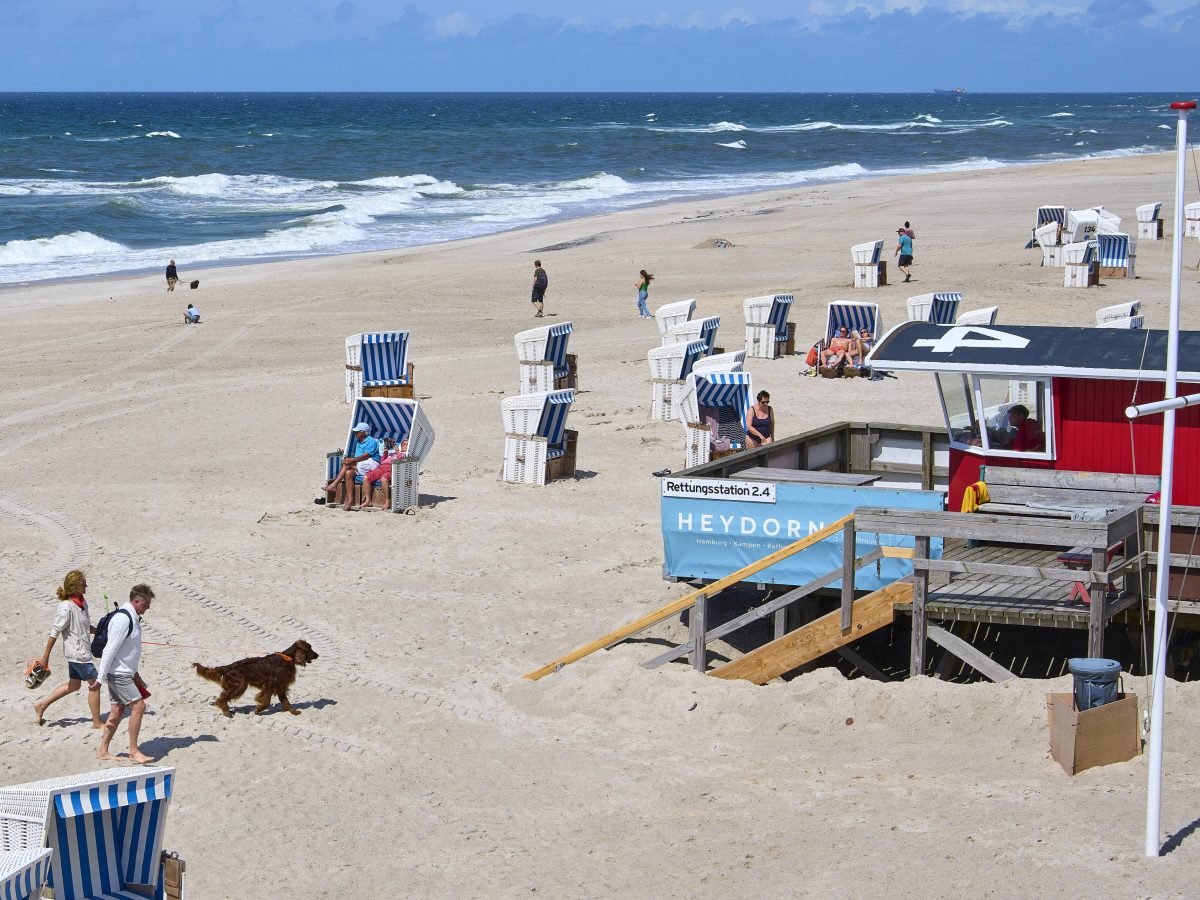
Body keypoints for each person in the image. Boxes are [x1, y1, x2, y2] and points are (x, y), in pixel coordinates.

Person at [33, 570, 103, 729]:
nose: (86, 585)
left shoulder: (83, 603)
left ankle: (41, 705)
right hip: (78, 655)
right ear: (74, 586)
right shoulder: (66, 607)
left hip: (82, 653)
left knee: (74, 686)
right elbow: (54, 632)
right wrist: (45, 658)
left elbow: (85, 627)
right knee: (95, 684)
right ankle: (97, 723)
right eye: (83, 583)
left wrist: (101, 631)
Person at [96, 584, 155, 764]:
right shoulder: (123, 619)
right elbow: (110, 650)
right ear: (136, 601)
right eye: (146, 605)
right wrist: (99, 679)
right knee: (139, 707)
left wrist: (135, 674)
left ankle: (103, 750)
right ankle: (134, 752)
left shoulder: (132, 616)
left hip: (124, 673)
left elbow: (129, 650)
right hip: (118, 673)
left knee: (117, 711)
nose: (147, 609)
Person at [322, 422, 381, 510]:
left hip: (372, 463)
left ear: (363, 432)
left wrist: (352, 460)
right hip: (362, 464)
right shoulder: (358, 442)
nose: (355, 433)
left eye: (357, 432)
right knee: (348, 473)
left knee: (347, 464)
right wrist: (347, 457)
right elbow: (358, 457)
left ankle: (334, 484)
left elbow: (366, 456)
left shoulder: (371, 441)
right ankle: (351, 499)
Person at [362, 438, 408, 510]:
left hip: (392, 468)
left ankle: (387, 501)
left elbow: (401, 461)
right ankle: (368, 500)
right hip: (382, 467)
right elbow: (382, 461)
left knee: (384, 478)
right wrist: (385, 453)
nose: (403, 445)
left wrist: (398, 452)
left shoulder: (406, 454)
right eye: (403, 444)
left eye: (406, 444)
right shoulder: (392, 452)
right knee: (366, 477)